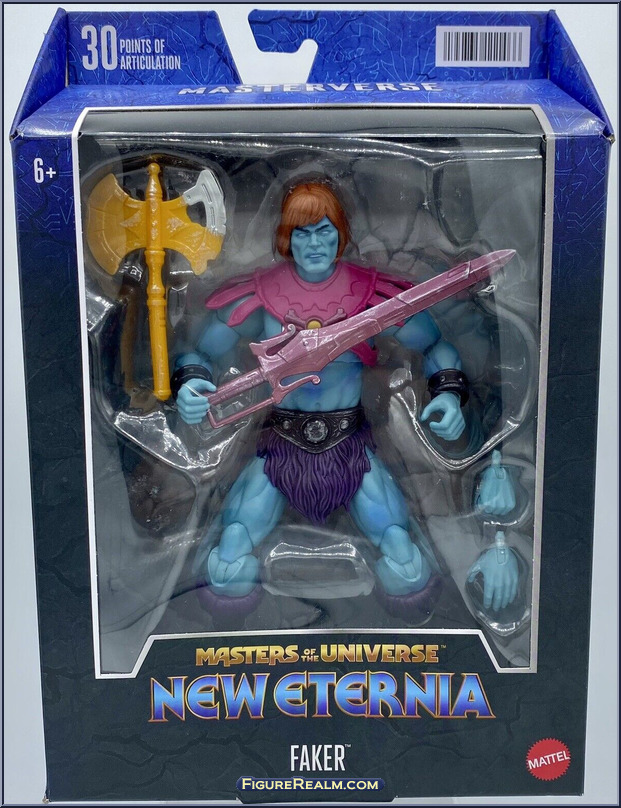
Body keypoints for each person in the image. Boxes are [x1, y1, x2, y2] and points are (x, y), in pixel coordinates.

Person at [172, 181, 514, 620]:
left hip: (349, 447)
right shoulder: (262, 296)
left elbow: (434, 346)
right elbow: (200, 353)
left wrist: (448, 394)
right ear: (286, 237)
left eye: (324, 231)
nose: (315, 244)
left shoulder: (369, 296)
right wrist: (192, 386)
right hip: (280, 447)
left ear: (341, 233)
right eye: (303, 233)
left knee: (406, 566)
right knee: (226, 566)